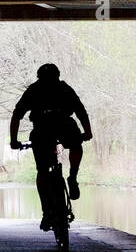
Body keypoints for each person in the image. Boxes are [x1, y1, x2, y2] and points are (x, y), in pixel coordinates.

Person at [9, 63, 93, 230]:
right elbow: (80, 110)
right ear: (58, 75)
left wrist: (14, 140)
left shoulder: (33, 89)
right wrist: (87, 131)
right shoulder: (64, 88)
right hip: (65, 125)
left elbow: (17, 115)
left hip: (42, 129)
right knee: (76, 144)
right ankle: (73, 177)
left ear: (39, 77)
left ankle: (46, 212)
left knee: (42, 171)